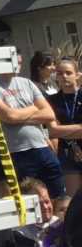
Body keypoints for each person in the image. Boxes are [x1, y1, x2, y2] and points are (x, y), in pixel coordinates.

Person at [0, 67, 62, 201]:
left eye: (19, 60)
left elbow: (49, 114)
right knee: (31, 199)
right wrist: (34, 108)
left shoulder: (27, 83)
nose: (17, 63)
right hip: (17, 153)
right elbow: (9, 116)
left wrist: (17, 117)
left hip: (42, 148)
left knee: (58, 197)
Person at [49, 57, 82, 198]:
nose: (64, 76)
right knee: (73, 200)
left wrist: (61, 130)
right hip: (67, 153)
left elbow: (57, 130)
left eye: (68, 73)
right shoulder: (51, 100)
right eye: (60, 73)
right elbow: (52, 131)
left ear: (77, 75)